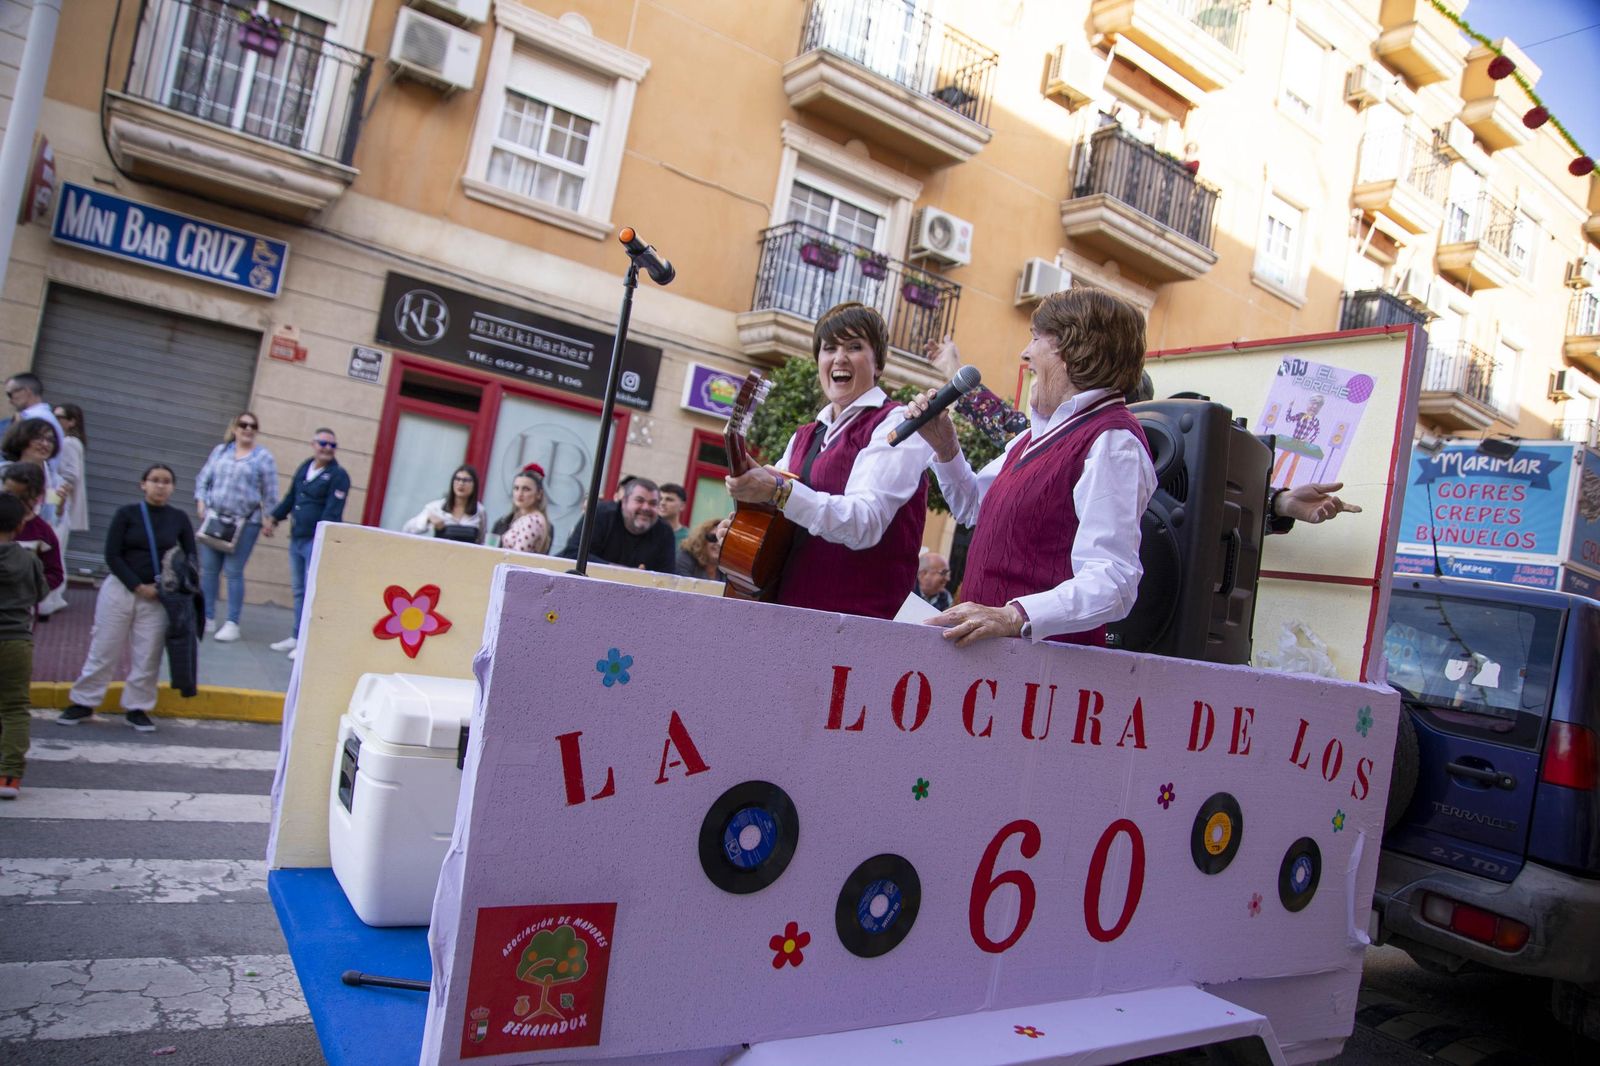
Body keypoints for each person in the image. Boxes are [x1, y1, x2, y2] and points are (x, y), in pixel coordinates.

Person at [906, 288, 1156, 647]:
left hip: (1043, 675)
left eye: (1036, 338)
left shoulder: (1113, 442)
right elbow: (975, 508)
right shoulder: (1033, 437)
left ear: (1074, 348)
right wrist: (945, 447)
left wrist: (1013, 615)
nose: (1026, 352)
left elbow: (1114, 580)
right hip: (995, 666)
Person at [723, 301, 933, 619]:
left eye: (855, 346)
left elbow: (865, 522)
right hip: (790, 616)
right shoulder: (803, 436)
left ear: (878, 364)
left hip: (858, 628)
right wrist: (743, 530)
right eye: (829, 347)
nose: (839, 357)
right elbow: (779, 522)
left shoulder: (899, 424)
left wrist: (777, 490)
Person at [58, 464, 195, 732]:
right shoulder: (127, 514)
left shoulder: (179, 518)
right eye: (154, 480)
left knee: (148, 654)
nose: (160, 486)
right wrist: (136, 585)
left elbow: (190, 558)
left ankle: (138, 707)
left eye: (166, 481)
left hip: (158, 597)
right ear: (143, 484)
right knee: (104, 647)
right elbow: (112, 554)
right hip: (120, 590)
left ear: (173, 487)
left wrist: (169, 586)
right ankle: (84, 702)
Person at [194, 411, 279, 642]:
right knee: (209, 570)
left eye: (253, 425)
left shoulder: (263, 458)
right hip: (215, 519)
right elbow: (203, 479)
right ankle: (207, 617)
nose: (248, 429)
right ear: (235, 428)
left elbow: (270, 493)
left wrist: (269, 519)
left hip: (244, 524)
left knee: (233, 572)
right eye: (243, 425)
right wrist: (201, 501)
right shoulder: (220, 451)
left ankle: (232, 622)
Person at [267, 429, 349, 658]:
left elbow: (332, 512)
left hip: (315, 540)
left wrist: (322, 540)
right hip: (297, 537)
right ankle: (296, 635)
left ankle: (305, 642)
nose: (326, 448)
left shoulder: (338, 475)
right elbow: (291, 498)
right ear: (313, 443)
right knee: (298, 590)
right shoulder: (305, 467)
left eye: (332, 445)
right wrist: (274, 518)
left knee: (312, 591)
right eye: (323, 443)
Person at [0, 492, 49, 799]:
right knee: (15, 707)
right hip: (16, 640)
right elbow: (40, 593)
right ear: (20, 525)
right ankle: (9, 777)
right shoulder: (28, 560)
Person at [559, 477, 675, 573]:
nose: (646, 508)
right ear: (624, 502)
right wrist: (618, 570)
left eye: (653, 503)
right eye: (639, 500)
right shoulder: (600, 514)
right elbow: (572, 553)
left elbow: (667, 576)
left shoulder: (664, 532)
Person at [38, 403, 88, 617]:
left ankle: (50, 601)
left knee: (52, 552)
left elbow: (69, 477)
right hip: (56, 503)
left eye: (60, 417)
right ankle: (52, 599)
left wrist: (52, 504)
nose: (55, 420)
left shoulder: (68, 443)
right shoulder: (64, 442)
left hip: (56, 505)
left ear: (71, 421)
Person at [2, 463, 64, 608]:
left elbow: (55, 574)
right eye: (8, 493)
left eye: (21, 498)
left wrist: (29, 590)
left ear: (37, 497)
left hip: (18, 615)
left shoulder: (43, 532)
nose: (13, 501)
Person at [403, 464, 487, 544]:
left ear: (474, 485)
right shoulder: (436, 507)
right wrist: (428, 518)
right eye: (457, 479)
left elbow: (481, 541)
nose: (461, 483)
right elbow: (408, 529)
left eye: (466, 480)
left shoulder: (479, 510)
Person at [1, 418, 60, 524]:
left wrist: (61, 508)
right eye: (38, 438)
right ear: (22, 439)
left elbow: (52, 517)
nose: (45, 444)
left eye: (50, 440)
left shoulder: (55, 482)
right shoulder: (3, 471)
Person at [493, 466, 553, 555]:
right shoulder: (514, 518)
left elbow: (518, 556)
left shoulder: (533, 520)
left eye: (526, 489)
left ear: (539, 494)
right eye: (516, 488)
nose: (519, 494)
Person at [3, 373, 64, 459]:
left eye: (10, 394)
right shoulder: (43, 416)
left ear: (26, 391)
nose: (10, 400)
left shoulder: (36, 419)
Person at [659, 483, 689, 548]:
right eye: (660, 499)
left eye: (669, 499)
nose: (662, 503)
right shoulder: (646, 530)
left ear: (682, 506)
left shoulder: (689, 538)